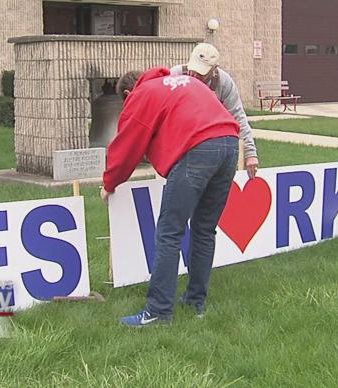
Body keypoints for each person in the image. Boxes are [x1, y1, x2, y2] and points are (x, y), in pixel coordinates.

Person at [100, 67, 240, 327]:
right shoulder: (183, 81)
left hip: (198, 148)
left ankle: (158, 311)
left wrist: (109, 183)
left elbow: (127, 144)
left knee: (169, 232)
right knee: (204, 229)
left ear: (129, 93)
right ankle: (195, 302)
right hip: (230, 143)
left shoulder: (141, 94)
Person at [170, 43, 260, 178]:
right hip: (180, 137)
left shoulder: (224, 82)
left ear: (214, 69)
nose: (195, 75)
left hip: (210, 141)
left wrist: (250, 153)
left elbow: (237, 116)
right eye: (194, 69)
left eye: (201, 73)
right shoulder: (175, 75)